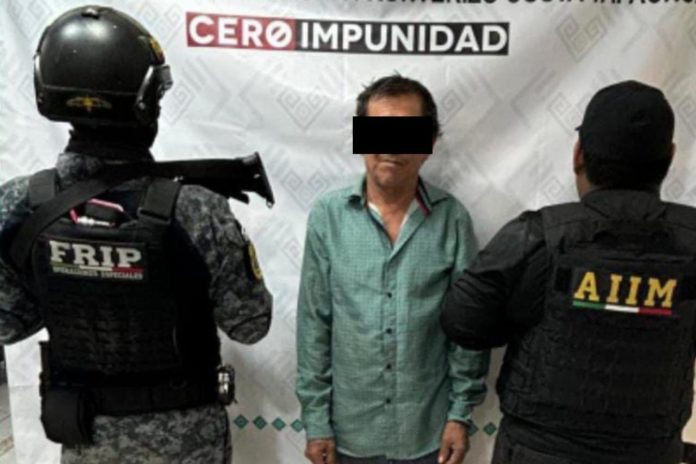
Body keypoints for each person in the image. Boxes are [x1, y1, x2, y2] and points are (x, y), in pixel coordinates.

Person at [0, 6, 272, 463]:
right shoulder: (198, 210)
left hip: (86, 438)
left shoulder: (17, 205)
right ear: (148, 103)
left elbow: (9, 325)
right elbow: (251, 325)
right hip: (189, 443)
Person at [441, 80, 694, 464]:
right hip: (649, 452)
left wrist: (530, 316)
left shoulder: (537, 236)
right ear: (670, 157)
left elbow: (461, 322)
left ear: (578, 155)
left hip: (538, 452)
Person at [296, 74, 489, 464]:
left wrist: (460, 415)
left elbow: (468, 329)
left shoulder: (452, 220)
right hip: (349, 434)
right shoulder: (328, 217)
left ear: (429, 143)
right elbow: (314, 325)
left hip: (427, 434)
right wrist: (316, 422)